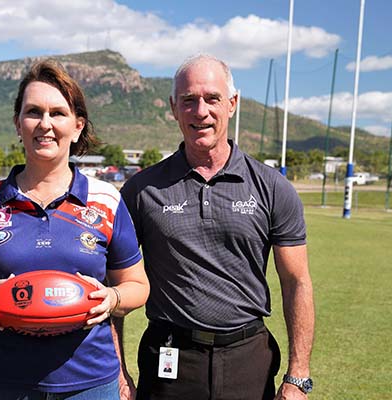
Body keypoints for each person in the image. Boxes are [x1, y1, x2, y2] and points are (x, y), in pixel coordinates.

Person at [0, 60, 149, 400]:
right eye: (34, 112)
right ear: (17, 124)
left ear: (78, 126)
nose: (45, 124)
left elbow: (138, 285)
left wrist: (112, 298)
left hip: (89, 382)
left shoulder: (106, 199)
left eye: (58, 113)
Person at [118, 54, 315, 399]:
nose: (201, 111)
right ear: (173, 108)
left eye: (212, 98)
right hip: (169, 357)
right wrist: (118, 374)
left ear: (232, 104)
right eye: (188, 100)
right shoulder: (140, 190)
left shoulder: (271, 187)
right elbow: (114, 284)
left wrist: (298, 375)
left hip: (248, 357)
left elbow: (296, 281)